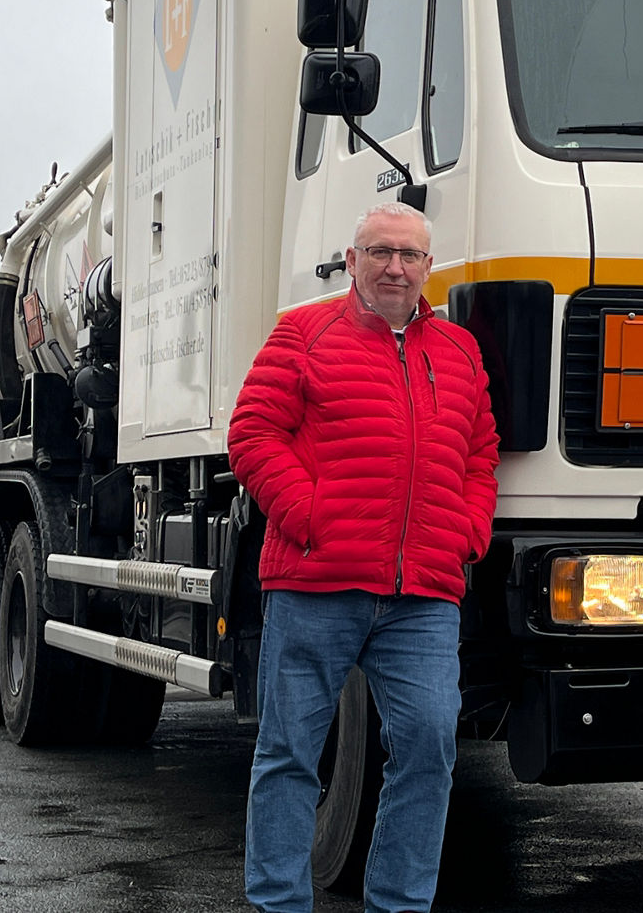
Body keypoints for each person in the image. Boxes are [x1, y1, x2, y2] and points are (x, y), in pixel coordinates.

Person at [228, 200, 500, 913]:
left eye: (409, 255)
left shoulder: (460, 352)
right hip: (317, 583)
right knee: (289, 755)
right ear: (351, 261)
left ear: (428, 267)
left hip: (424, 598)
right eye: (379, 252)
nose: (395, 267)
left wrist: (468, 530)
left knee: (428, 750)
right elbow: (254, 434)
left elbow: (480, 453)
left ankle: (399, 904)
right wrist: (309, 516)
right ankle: (279, 903)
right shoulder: (304, 332)